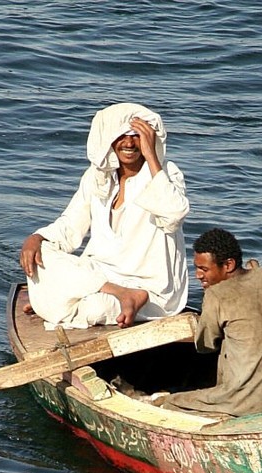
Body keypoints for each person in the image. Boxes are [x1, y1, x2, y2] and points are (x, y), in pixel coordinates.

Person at [20, 102, 189, 329]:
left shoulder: (165, 173)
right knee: (43, 254)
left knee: (94, 309)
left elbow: (174, 214)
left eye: (137, 135)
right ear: (108, 138)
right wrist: (36, 238)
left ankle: (59, 300)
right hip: (105, 278)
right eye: (121, 135)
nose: (129, 143)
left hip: (150, 291)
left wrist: (151, 156)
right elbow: (70, 226)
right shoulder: (96, 176)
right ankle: (113, 294)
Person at [160, 228, 262, 418]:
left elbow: (205, 345)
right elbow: (255, 277)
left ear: (228, 265)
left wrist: (210, 302)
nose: (198, 276)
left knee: (170, 403)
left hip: (247, 401)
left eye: (204, 269)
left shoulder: (216, 295)